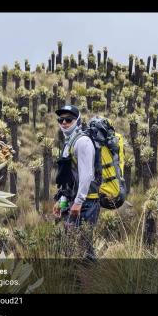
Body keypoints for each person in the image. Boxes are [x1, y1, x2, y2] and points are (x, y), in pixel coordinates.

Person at [53, 104, 100, 259]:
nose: (64, 123)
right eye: (61, 119)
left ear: (77, 121)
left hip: (87, 202)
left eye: (69, 119)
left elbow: (87, 175)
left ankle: (92, 280)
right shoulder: (69, 142)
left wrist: (78, 202)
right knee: (72, 245)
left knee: (85, 246)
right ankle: (77, 280)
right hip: (74, 200)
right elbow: (69, 177)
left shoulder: (83, 142)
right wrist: (62, 200)